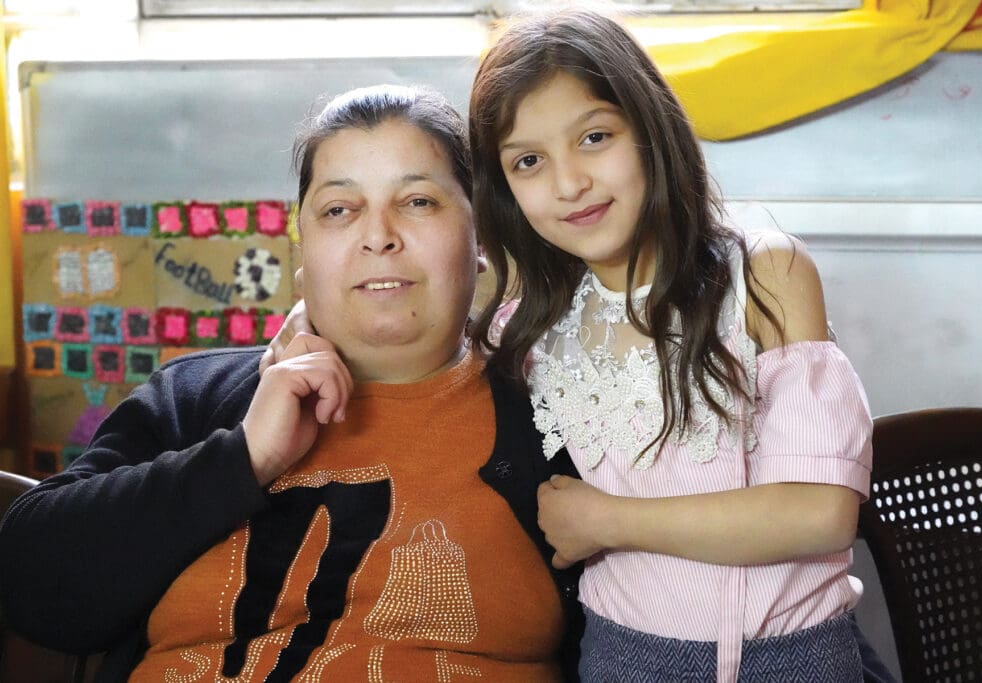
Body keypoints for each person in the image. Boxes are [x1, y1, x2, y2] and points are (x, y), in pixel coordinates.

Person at [0, 85, 584, 682]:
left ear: (480, 237)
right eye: (339, 209)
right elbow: (31, 588)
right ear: (302, 250)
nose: (378, 235)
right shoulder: (198, 397)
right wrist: (244, 457)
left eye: (417, 202)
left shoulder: (562, 413)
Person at [465, 8, 877, 682]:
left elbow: (819, 511)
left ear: (650, 130)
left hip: (797, 657)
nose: (569, 183)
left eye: (595, 137)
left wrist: (607, 519)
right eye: (529, 161)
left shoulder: (765, 277)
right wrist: (309, 328)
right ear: (503, 185)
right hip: (624, 658)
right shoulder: (528, 326)